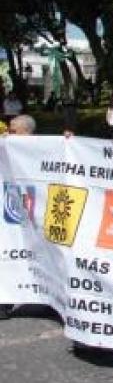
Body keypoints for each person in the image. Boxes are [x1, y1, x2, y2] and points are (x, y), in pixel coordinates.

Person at [0, 114, 37, 320]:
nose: (7, 134)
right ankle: (4, 301)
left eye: (12, 131)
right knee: (7, 253)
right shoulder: (4, 148)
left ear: (27, 133)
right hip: (10, 214)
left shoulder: (43, 151)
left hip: (35, 217)